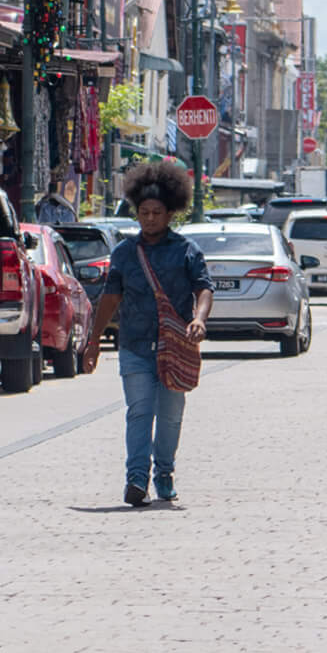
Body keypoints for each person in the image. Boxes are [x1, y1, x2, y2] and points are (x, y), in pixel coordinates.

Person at [88, 160, 212, 507]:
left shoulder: (187, 251)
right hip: (135, 346)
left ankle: (164, 473)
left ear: (171, 212)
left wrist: (199, 319)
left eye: (157, 212)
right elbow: (110, 297)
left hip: (176, 347)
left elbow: (204, 289)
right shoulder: (125, 253)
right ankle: (136, 479)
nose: (150, 218)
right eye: (144, 212)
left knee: (170, 416)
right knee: (140, 410)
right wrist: (93, 341)